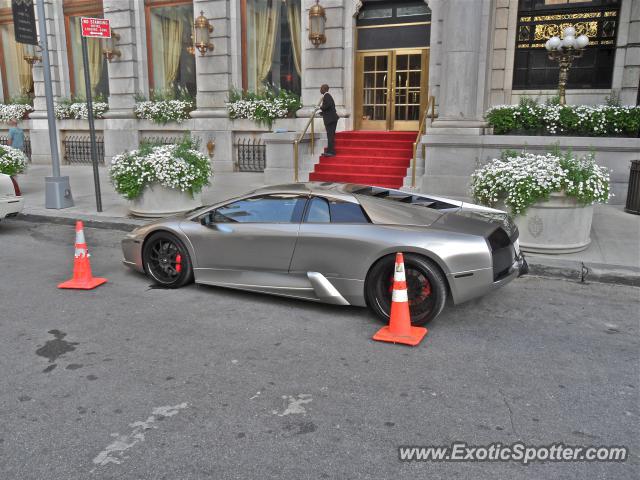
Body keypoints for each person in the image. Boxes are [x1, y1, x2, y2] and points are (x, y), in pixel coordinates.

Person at [318, 84, 338, 157]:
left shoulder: (327, 96)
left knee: (330, 136)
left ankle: (331, 152)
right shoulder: (326, 96)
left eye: (321, 88)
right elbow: (329, 108)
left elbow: (328, 105)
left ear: (324, 89)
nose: (320, 90)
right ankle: (329, 151)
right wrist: (322, 112)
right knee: (330, 136)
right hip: (331, 119)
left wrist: (320, 107)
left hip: (331, 120)